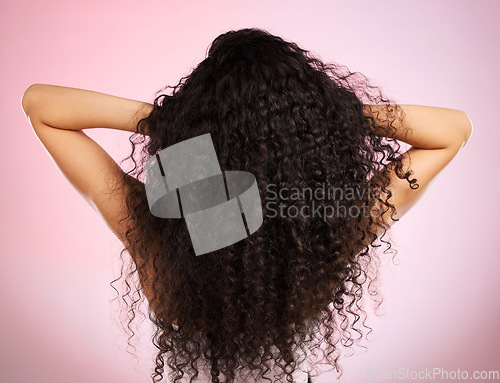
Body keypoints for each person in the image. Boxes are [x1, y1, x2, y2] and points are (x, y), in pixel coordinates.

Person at [21, 28, 472, 383]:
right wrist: (319, 114)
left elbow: (40, 104)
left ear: (205, 144)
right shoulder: (334, 234)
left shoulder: (158, 234)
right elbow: (452, 130)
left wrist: (170, 119)